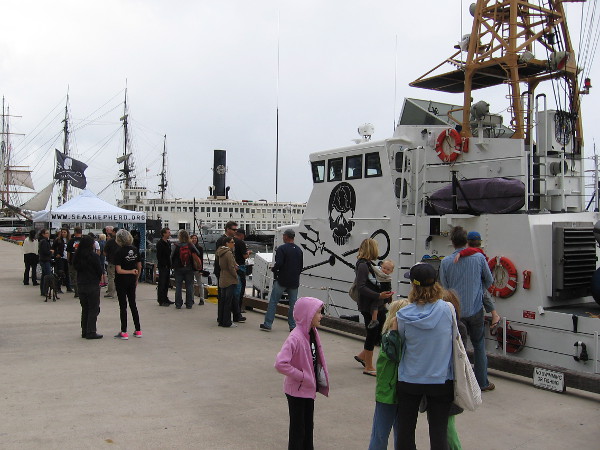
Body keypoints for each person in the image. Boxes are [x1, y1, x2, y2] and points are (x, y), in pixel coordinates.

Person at [396, 263, 454, 449]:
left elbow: (401, 342)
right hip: (440, 379)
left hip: (410, 378)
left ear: (414, 286)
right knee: (439, 433)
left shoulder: (403, 314)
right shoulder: (448, 310)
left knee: (405, 432)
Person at [439, 226, 495, 392]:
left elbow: (444, 287)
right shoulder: (478, 258)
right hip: (476, 309)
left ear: (452, 242)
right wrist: (478, 289)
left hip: (456, 311)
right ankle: (482, 382)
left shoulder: (445, 262)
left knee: (456, 347)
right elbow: (490, 280)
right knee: (479, 346)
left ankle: (458, 382)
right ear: (466, 240)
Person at [274, 296, 329, 450]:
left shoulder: (312, 332)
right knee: (298, 431)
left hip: (308, 389)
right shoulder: (295, 337)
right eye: (318, 312)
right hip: (297, 391)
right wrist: (302, 376)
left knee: (307, 428)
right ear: (308, 315)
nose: (321, 316)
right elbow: (280, 363)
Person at [368, 299, 409, 450]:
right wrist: (394, 331)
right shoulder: (388, 338)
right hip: (387, 392)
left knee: (402, 435)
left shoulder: (405, 339)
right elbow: (394, 355)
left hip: (400, 391)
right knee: (380, 434)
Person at [353, 239, 393, 376]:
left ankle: (363, 356)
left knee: (378, 331)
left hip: (373, 303)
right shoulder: (364, 265)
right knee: (372, 333)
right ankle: (368, 366)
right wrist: (378, 296)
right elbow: (361, 286)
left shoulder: (368, 264)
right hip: (369, 305)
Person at [453, 230, 501, 330]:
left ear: (468, 242)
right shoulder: (480, 252)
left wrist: (460, 254)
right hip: (481, 278)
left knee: (482, 294)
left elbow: (470, 251)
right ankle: (494, 314)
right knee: (483, 294)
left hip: (478, 281)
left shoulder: (476, 252)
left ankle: (495, 314)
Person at [260, 229, 303, 332]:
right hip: (294, 281)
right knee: (293, 304)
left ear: (287, 237)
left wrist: (274, 269)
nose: (283, 237)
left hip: (282, 280)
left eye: (284, 235)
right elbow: (300, 267)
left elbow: (279, 263)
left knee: (273, 302)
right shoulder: (299, 250)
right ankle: (292, 326)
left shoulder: (281, 249)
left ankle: (268, 324)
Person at [113, 229, 142, 339]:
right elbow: (139, 265)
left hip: (121, 280)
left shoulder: (119, 252)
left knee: (123, 305)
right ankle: (138, 329)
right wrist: (136, 277)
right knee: (133, 304)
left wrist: (130, 272)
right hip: (131, 280)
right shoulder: (135, 249)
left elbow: (119, 270)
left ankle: (124, 331)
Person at [73, 235, 103, 339]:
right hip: (92, 283)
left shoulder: (77, 256)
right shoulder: (93, 256)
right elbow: (99, 270)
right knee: (93, 308)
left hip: (81, 283)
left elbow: (75, 267)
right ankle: (91, 331)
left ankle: (84, 330)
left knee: (85, 308)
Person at [215, 236, 245, 327]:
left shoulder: (220, 252)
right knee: (228, 301)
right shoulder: (228, 253)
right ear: (227, 243)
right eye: (232, 242)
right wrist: (236, 275)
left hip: (223, 277)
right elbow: (231, 267)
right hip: (229, 278)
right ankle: (227, 321)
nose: (234, 243)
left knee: (223, 300)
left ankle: (222, 320)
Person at [170, 229, 199, 309]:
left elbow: (171, 256)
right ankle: (189, 303)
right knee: (189, 286)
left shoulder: (176, 245)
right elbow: (198, 253)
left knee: (178, 286)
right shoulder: (190, 245)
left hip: (178, 268)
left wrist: (172, 265)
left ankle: (178, 304)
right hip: (189, 268)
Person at [368, 260, 395, 329]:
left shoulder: (384, 277)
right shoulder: (384, 276)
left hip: (382, 293)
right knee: (381, 303)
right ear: (381, 267)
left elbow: (376, 281)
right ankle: (383, 308)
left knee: (375, 305)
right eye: (384, 268)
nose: (385, 270)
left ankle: (374, 319)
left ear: (391, 271)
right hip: (385, 293)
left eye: (388, 269)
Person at [234, 228, 251, 312]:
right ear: (242, 235)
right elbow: (245, 256)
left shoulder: (231, 241)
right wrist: (248, 253)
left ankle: (233, 306)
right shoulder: (241, 242)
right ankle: (238, 307)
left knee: (234, 287)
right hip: (240, 266)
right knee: (241, 287)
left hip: (232, 266)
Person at [156, 227, 173, 306]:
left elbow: (169, 254)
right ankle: (161, 300)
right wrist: (163, 264)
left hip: (168, 265)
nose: (170, 234)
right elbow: (159, 256)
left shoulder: (168, 243)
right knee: (162, 283)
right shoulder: (160, 243)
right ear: (164, 234)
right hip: (163, 266)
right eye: (168, 232)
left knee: (166, 283)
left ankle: (165, 298)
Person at [52, 227, 70, 293]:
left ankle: (68, 287)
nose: (63, 233)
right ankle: (58, 288)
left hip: (67, 258)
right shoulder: (58, 240)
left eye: (64, 232)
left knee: (67, 273)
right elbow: (53, 248)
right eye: (62, 232)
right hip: (60, 258)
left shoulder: (69, 240)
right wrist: (57, 254)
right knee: (60, 272)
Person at [66, 227, 83, 298]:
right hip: (83, 261)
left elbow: (69, 252)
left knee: (74, 276)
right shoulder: (84, 240)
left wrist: (68, 259)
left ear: (75, 232)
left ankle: (77, 292)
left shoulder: (71, 241)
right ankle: (82, 291)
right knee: (82, 276)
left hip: (73, 260)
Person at [190, 233, 205, 305]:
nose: (194, 239)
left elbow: (201, 259)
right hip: (191, 268)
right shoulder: (190, 247)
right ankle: (192, 298)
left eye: (195, 238)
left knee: (200, 284)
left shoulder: (200, 248)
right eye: (193, 238)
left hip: (197, 268)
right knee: (192, 284)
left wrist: (201, 269)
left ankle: (202, 298)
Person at [103, 226, 118, 299]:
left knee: (111, 277)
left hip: (111, 261)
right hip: (120, 262)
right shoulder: (122, 241)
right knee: (119, 277)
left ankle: (111, 292)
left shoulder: (110, 241)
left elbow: (105, 252)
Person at [38, 229, 53, 297]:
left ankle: (43, 291)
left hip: (44, 260)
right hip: (45, 260)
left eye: (48, 233)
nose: (48, 234)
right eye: (46, 233)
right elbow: (45, 251)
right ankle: (45, 291)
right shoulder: (44, 241)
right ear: (43, 234)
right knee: (48, 276)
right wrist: (51, 252)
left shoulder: (45, 241)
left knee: (44, 276)